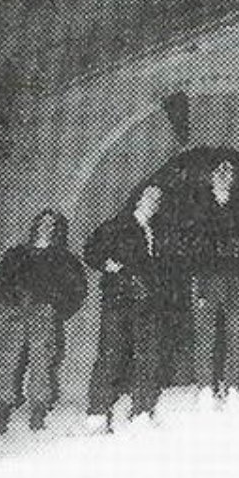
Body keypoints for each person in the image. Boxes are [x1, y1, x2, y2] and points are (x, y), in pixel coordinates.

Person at [181, 148, 239, 405]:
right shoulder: (195, 206)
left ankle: (233, 387)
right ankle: (205, 389)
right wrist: (204, 254)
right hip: (206, 277)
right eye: (218, 170)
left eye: (228, 170)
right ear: (209, 176)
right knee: (204, 334)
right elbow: (183, 242)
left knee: (237, 332)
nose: (223, 174)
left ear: (235, 177)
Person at [0, 209, 87, 433]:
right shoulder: (17, 254)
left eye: (52, 224)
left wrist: (55, 309)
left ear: (58, 230)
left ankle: (37, 415)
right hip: (14, 314)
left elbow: (77, 290)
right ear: (35, 225)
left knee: (42, 364)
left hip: (43, 316)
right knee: (7, 363)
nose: (46, 227)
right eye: (43, 222)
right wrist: (5, 305)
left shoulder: (64, 259)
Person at [84, 185, 165, 433]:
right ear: (137, 199)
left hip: (147, 300)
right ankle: (98, 413)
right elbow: (91, 251)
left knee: (147, 354)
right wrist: (108, 264)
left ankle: (141, 411)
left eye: (157, 199)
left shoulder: (158, 230)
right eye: (149, 197)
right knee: (112, 352)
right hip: (119, 298)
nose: (153, 202)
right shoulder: (116, 225)